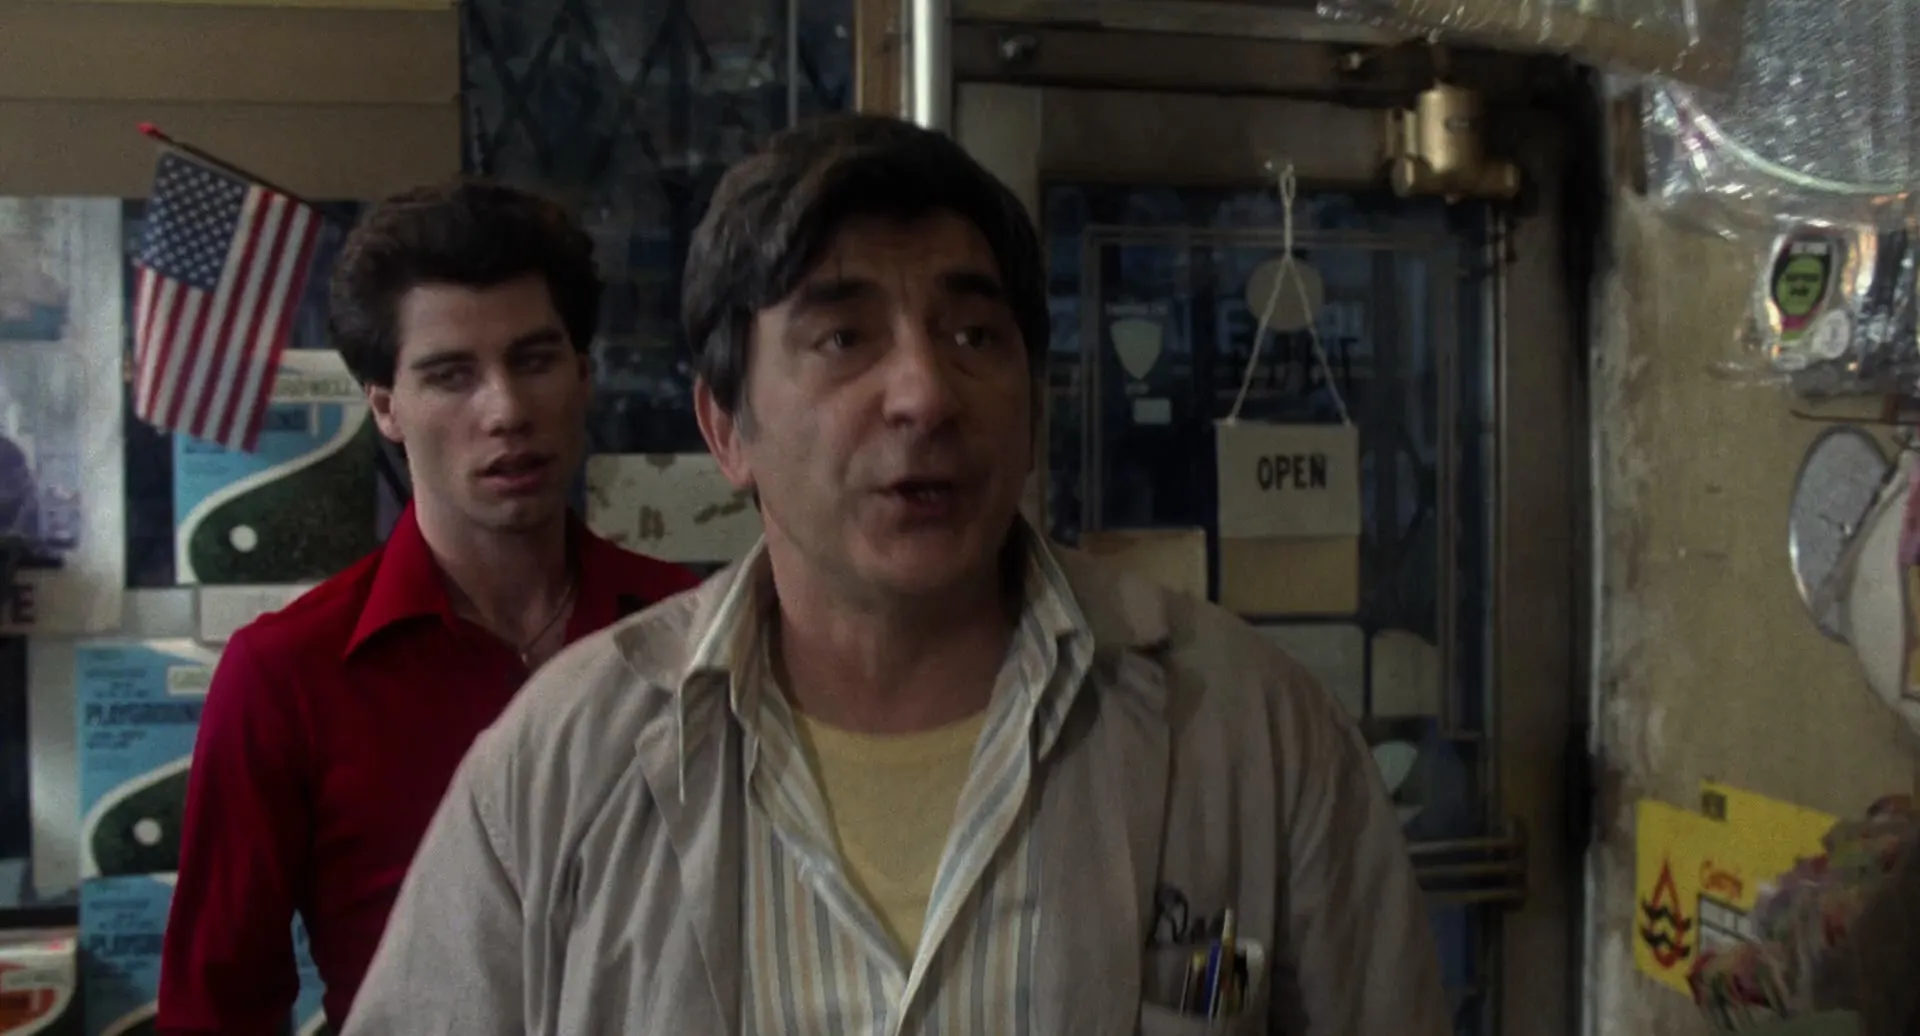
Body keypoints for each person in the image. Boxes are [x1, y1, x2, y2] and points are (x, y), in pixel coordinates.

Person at [344, 115, 1449, 1035]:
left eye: (974, 335)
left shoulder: (1254, 730)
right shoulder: (559, 764)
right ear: (725, 426)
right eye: (844, 339)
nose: (924, 393)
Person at [155, 181, 702, 1034]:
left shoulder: (693, 632)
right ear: (386, 407)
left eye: (534, 361)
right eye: (452, 376)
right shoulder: (288, 675)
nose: (506, 411)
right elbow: (215, 1009)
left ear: (583, 376)